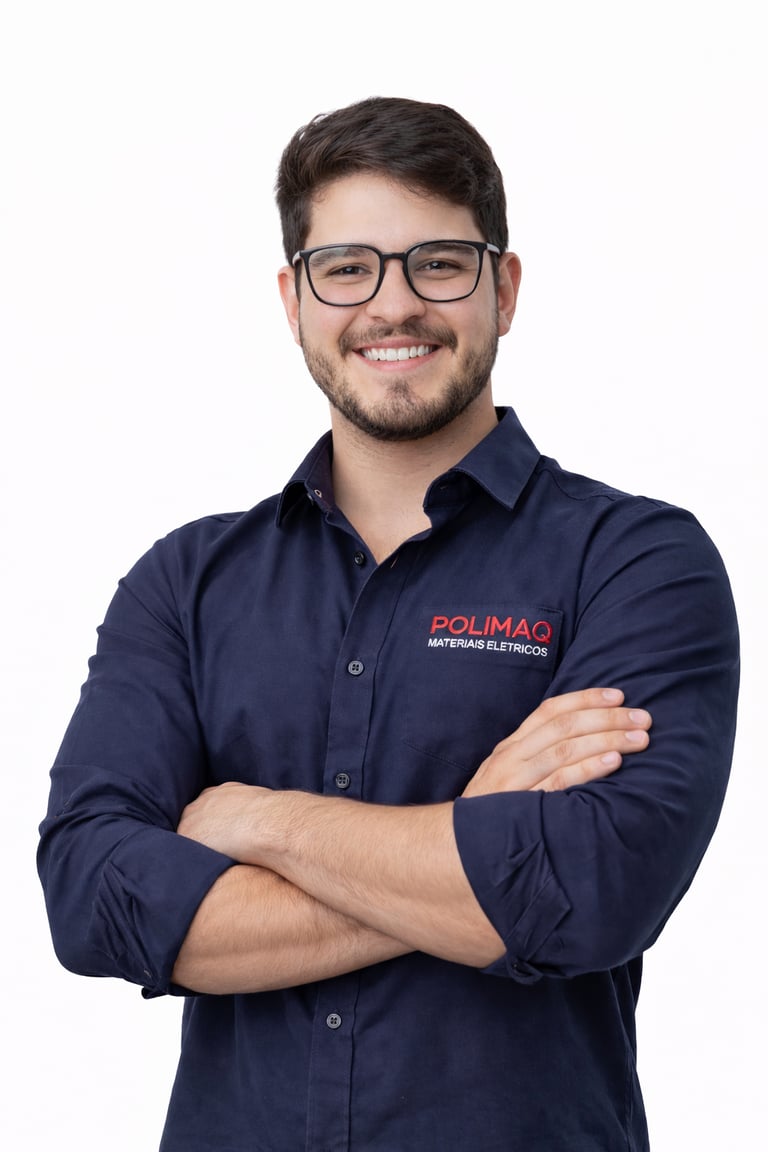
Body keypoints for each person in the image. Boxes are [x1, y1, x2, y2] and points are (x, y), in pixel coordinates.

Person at [38, 96, 739, 1151]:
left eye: (439, 264)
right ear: (294, 300)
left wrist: (259, 823)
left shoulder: (635, 562)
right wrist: (471, 835)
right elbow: (96, 901)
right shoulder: (184, 583)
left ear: (504, 287)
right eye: (347, 268)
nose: (393, 305)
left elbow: (585, 893)